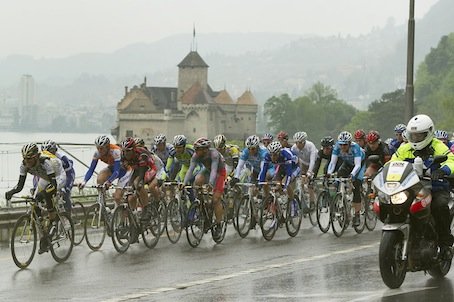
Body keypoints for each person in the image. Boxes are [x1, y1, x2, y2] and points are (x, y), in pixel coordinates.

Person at [391, 114, 454, 259]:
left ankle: (445, 244)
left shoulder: (438, 146)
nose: (416, 139)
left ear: (429, 133)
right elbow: (393, 162)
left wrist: (443, 170)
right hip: (410, 188)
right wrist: (383, 171)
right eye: (413, 135)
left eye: (420, 135)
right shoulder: (404, 148)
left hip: (436, 187)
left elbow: (451, 160)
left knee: (439, 206)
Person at [5, 143, 66, 254]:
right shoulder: (24, 165)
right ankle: (43, 233)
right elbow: (20, 185)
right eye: (25, 159)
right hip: (45, 178)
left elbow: (53, 185)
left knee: (47, 194)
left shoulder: (46, 162)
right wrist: (11, 192)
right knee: (35, 200)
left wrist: (43, 194)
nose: (27, 162)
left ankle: (53, 224)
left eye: (29, 159)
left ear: (36, 157)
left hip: (57, 176)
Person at [183, 137, 226, 237]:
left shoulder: (214, 154)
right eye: (195, 149)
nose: (195, 151)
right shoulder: (196, 155)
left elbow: (214, 170)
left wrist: (210, 184)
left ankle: (219, 225)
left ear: (205, 149)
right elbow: (190, 170)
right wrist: (184, 183)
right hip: (207, 171)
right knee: (197, 181)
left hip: (219, 173)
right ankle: (202, 208)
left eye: (198, 149)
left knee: (215, 199)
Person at [78, 135, 129, 210]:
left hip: (125, 171)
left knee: (117, 197)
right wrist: (84, 182)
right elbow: (91, 169)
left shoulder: (115, 151)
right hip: (113, 168)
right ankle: (103, 205)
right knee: (100, 178)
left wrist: (109, 181)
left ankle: (117, 213)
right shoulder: (97, 153)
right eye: (97, 148)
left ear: (107, 147)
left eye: (101, 148)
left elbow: (116, 172)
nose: (99, 150)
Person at [326, 131, 366, 227]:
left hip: (359, 164)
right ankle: (342, 199)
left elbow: (357, 165)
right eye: (341, 145)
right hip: (347, 163)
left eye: (345, 145)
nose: (343, 147)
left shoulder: (355, 147)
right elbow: (332, 163)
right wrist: (329, 173)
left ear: (349, 143)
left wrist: (352, 175)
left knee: (356, 184)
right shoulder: (336, 147)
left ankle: (357, 215)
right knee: (339, 177)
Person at [259, 141, 300, 220]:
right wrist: (260, 184)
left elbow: (288, 174)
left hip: (294, 167)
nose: (273, 157)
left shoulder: (286, 155)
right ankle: (278, 205)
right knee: (275, 182)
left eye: (275, 155)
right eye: (271, 155)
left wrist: (284, 186)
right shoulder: (267, 156)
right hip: (281, 166)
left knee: (286, 183)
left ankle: (293, 203)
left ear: (279, 153)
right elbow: (263, 171)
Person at [41, 140, 75, 213]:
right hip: (55, 175)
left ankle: (68, 215)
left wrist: (65, 187)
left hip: (68, 173)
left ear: (55, 151)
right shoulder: (43, 160)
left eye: (50, 152)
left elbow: (68, 173)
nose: (47, 154)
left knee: (65, 192)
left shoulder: (62, 158)